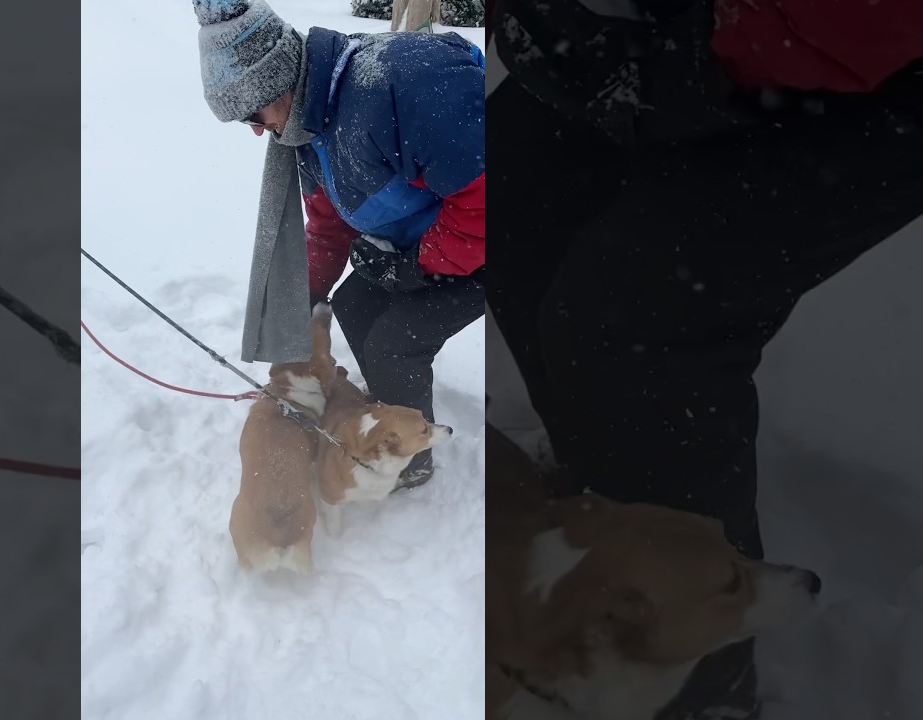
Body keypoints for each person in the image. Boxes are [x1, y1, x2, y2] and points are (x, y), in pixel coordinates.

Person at [489, 0, 923, 717]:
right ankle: (609, 525)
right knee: (513, 187)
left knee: (635, 319)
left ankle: (698, 686)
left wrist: (698, 52)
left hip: (863, 45)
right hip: (679, 25)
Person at [192, 0, 486, 489]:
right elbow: (328, 226)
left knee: (396, 345)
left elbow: (486, 202)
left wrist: (420, 266)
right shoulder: (311, 127)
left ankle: (410, 462)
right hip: (424, 249)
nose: (256, 131)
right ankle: (393, 406)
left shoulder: (405, 84)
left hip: (489, 246)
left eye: (252, 113)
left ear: (277, 81)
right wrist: (301, 299)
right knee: (351, 302)